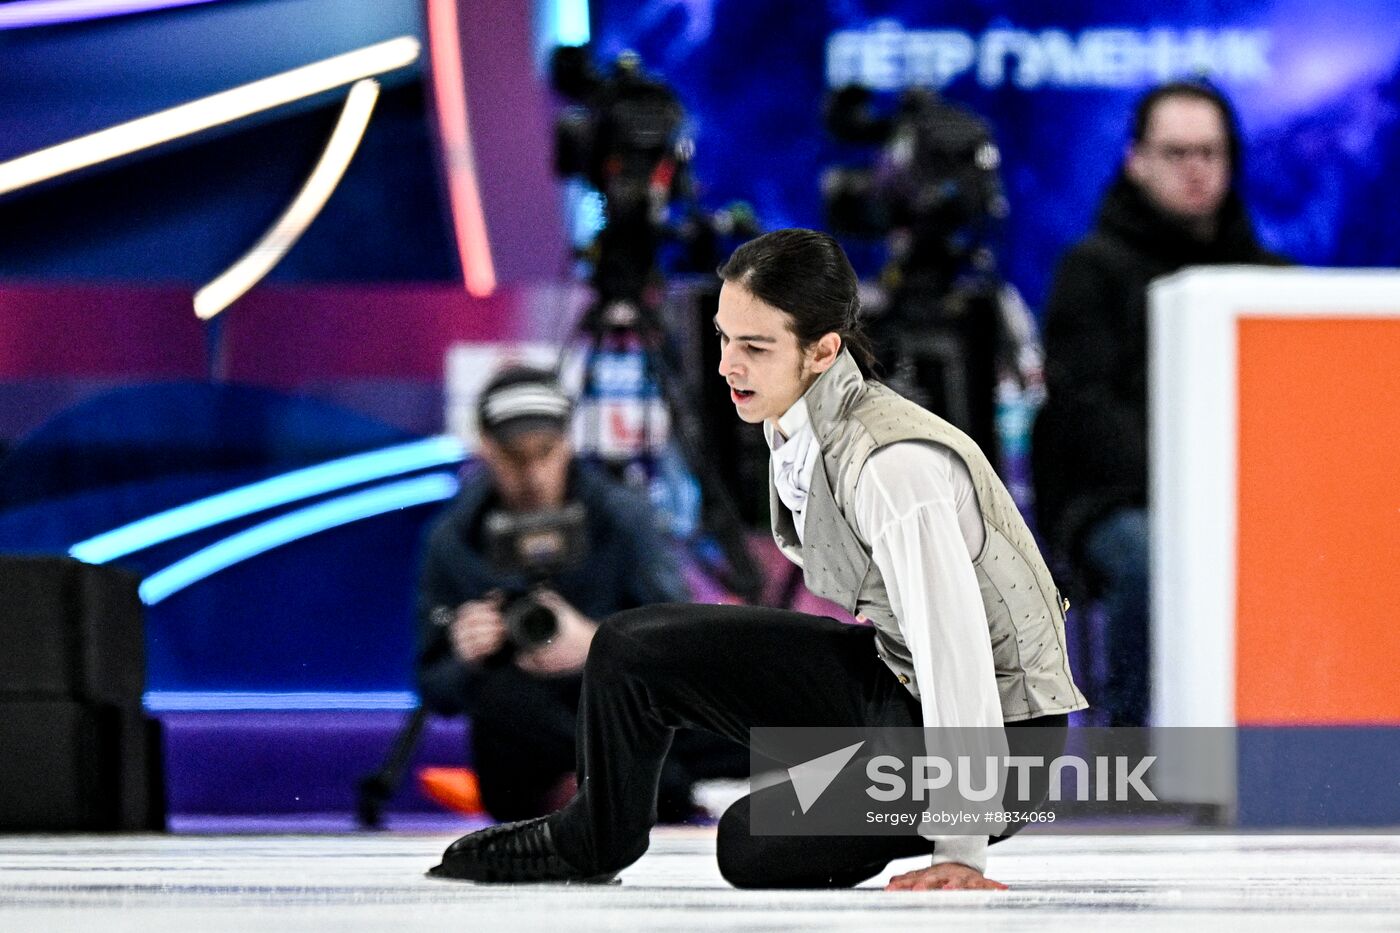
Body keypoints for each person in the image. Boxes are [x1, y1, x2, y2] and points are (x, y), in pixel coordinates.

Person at [429, 230, 1086, 891]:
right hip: (896, 680)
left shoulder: (893, 462)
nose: (727, 366)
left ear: (823, 350)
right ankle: (593, 836)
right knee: (629, 648)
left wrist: (959, 845)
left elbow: (957, 648)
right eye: (724, 338)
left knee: (750, 842)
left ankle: (886, 804)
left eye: (755, 346)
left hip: (1003, 735)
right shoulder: (797, 423)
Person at [1032, 81, 1287, 727]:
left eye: (1209, 151)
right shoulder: (1089, 269)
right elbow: (1085, 411)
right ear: (1136, 159)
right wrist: (1191, 496)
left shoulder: (1271, 278)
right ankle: (1131, 746)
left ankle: (1302, 737)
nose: (1195, 168)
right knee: (1153, 557)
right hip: (1114, 500)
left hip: (1253, 499)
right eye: (1176, 152)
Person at [415, 364, 736, 822]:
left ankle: (633, 782)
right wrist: (466, 654)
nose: (533, 473)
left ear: (567, 443)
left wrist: (596, 643)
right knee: (503, 702)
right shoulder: (454, 539)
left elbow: (680, 644)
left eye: (545, 452)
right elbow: (435, 687)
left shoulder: (622, 516)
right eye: (514, 456)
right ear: (486, 448)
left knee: (752, 711)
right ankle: (654, 785)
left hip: (624, 706)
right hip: (527, 734)